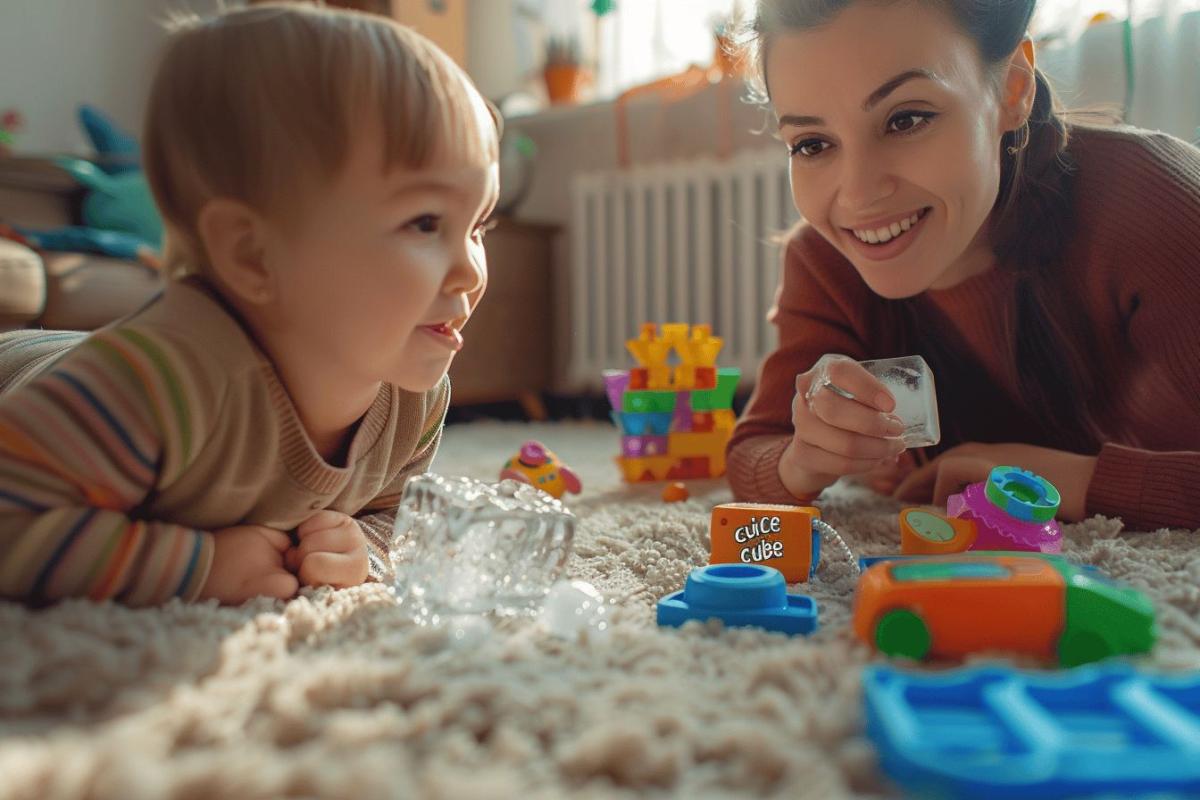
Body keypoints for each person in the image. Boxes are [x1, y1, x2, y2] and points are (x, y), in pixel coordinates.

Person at [0, 3, 500, 606]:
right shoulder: (161, 381)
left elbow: (395, 516)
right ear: (253, 255)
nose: (471, 271)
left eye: (479, 226)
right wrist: (197, 566)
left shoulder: (413, 398)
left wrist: (360, 547)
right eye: (425, 223)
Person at [727, 0, 1200, 531]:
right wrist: (804, 458)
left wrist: (1061, 477)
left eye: (906, 119)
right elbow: (754, 452)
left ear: (1012, 89)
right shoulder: (824, 262)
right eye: (812, 144)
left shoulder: (1152, 199)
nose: (858, 196)